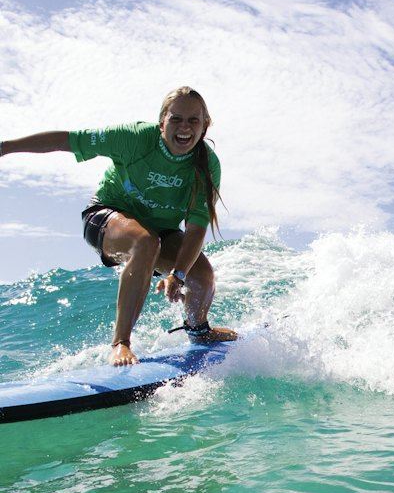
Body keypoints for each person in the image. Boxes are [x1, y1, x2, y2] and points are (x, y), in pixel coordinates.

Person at [0, 87, 236, 366]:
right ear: (162, 122)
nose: (184, 127)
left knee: (202, 276)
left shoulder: (207, 165)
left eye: (193, 120)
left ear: (204, 125)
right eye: (176, 119)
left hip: (161, 230)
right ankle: (120, 343)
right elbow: (67, 140)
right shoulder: (133, 138)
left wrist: (178, 273)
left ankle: (198, 331)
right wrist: (5, 147)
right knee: (145, 242)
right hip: (106, 217)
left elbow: (196, 228)